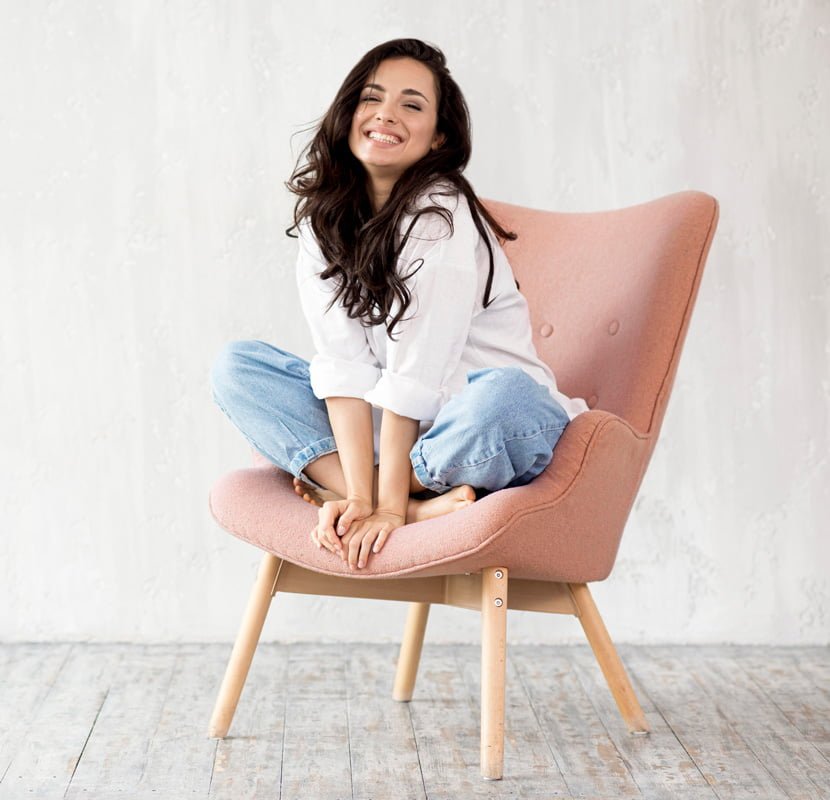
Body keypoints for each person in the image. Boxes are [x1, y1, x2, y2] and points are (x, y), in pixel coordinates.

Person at [210, 38, 589, 573]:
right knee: (238, 368)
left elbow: (419, 372)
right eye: (372, 98)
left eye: (411, 105)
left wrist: (384, 505)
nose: (386, 114)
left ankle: (367, 488)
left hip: (478, 427)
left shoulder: (442, 215)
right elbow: (345, 369)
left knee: (509, 398)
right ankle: (412, 505)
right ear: (348, 114)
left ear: (438, 139)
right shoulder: (326, 220)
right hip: (391, 434)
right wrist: (366, 505)